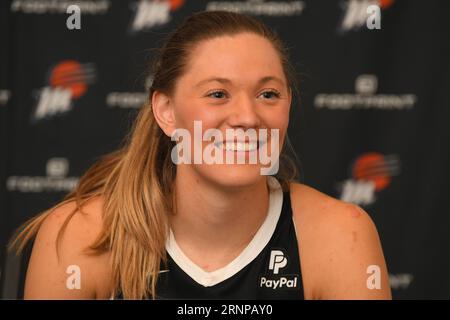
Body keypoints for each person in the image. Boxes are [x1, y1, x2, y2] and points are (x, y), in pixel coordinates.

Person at [9, 10, 391, 300]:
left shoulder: (341, 235)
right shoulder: (81, 236)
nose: (246, 118)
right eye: (217, 94)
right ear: (167, 112)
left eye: (268, 94)